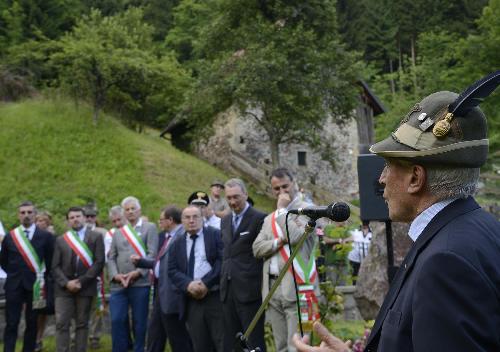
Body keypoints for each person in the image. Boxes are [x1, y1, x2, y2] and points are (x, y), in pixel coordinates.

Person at [294, 83, 500, 351]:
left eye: (389, 165)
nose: (381, 179)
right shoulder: (481, 229)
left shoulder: (444, 262)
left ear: (416, 178)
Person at [253, 168, 320, 352]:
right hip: (273, 287)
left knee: (297, 347)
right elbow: (257, 248)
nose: (281, 192)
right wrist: (277, 242)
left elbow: (297, 236)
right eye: (276, 189)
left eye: (285, 186)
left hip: (298, 287)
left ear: (294, 184)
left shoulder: (309, 210)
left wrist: (282, 210)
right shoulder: (270, 218)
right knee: (280, 346)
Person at [132, 205, 193, 352]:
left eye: (161, 220)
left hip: (173, 295)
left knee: (178, 339)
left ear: (170, 220)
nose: (159, 223)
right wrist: (142, 262)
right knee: (155, 334)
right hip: (161, 292)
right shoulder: (168, 237)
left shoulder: (181, 237)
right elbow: (161, 264)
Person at [168, 205, 224, 352]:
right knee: (200, 344)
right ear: (182, 220)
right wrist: (188, 285)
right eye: (187, 217)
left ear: (202, 218)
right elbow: (172, 270)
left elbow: (222, 261)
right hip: (192, 300)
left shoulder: (215, 235)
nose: (191, 221)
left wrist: (205, 283)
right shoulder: (176, 243)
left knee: (222, 342)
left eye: (195, 217)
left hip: (215, 296)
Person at [0, 201, 54, 352]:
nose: (26, 215)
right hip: (14, 286)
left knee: (32, 323)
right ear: (18, 215)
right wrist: (15, 274)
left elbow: (50, 263)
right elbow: (3, 261)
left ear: (35, 214)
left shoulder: (46, 237)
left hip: (36, 287)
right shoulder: (10, 237)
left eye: (30, 212)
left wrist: (43, 280)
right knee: (11, 322)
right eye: (23, 213)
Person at [220, 178, 267, 352]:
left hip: (249, 290)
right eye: (229, 198)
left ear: (246, 195)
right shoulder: (224, 221)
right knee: (232, 342)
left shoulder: (259, 218)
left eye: (236, 197)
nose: (232, 202)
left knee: (253, 340)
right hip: (228, 289)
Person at [108, 196, 158, 352]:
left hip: (140, 283)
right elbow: (111, 257)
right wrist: (115, 275)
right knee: (117, 319)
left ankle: (139, 349)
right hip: (119, 283)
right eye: (127, 209)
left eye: (133, 209)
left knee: (140, 321)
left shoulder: (149, 228)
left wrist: (137, 273)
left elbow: (152, 254)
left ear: (139, 210)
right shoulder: (118, 232)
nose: (130, 212)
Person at [52, 207, 105, 352]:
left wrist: (81, 281)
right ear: (68, 221)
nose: (75, 219)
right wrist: (66, 283)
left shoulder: (96, 237)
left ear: (84, 218)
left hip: (86, 287)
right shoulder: (61, 240)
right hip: (64, 289)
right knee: (62, 323)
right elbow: (55, 267)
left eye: (78, 216)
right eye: (72, 217)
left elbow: (99, 262)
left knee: (82, 323)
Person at [34, 211, 56, 352]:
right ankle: (34, 339)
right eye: (39, 220)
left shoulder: (52, 238)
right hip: (33, 279)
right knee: (34, 311)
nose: (41, 223)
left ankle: (39, 339)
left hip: (47, 279)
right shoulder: (29, 237)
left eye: (44, 221)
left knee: (43, 311)